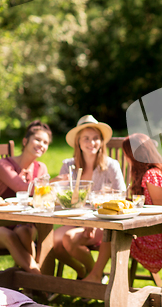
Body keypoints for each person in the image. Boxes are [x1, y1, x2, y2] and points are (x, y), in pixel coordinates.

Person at [83, 133, 162, 283]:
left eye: (126, 155)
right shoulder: (148, 174)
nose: (126, 159)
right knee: (112, 233)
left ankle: (104, 279)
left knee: (113, 235)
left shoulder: (152, 175)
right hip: (155, 234)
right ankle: (104, 279)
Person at [52, 115, 126, 279]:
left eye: (95, 138)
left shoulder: (111, 165)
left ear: (101, 141)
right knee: (53, 241)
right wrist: (56, 184)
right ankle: (87, 273)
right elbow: (59, 198)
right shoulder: (68, 166)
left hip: (102, 223)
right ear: (78, 141)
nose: (91, 143)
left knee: (69, 239)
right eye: (86, 138)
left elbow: (122, 196)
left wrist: (94, 219)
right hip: (74, 219)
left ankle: (93, 275)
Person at [0, 121, 52, 274]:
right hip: (0, 222)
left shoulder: (40, 168)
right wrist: (53, 182)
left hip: (24, 223)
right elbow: (22, 188)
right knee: (9, 235)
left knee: (24, 231)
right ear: (25, 141)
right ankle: (40, 283)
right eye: (38, 140)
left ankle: (29, 287)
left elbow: (43, 198)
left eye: (45, 142)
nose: (41, 144)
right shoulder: (3, 164)